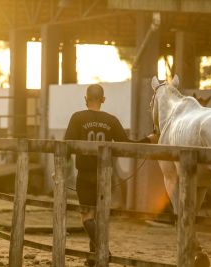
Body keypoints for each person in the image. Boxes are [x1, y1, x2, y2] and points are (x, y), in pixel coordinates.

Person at [64, 84, 157, 266]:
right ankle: (94, 258)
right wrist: (149, 139)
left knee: (87, 217)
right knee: (99, 217)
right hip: (105, 176)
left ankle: (102, 250)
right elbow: (126, 145)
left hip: (84, 175)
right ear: (103, 100)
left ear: (85, 99)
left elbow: (66, 146)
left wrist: (57, 170)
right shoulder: (111, 120)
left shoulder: (77, 118)